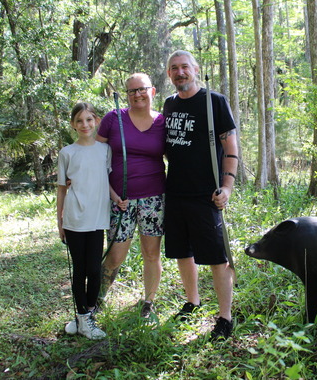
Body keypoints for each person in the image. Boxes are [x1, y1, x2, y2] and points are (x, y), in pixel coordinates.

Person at [163, 50, 239, 339]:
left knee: (217, 257)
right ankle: (192, 302)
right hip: (175, 193)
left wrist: (227, 187)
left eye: (184, 67)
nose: (180, 72)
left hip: (206, 195)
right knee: (183, 253)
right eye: (174, 68)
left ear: (195, 69)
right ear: (169, 74)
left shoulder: (214, 102)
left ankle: (224, 317)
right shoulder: (169, 104)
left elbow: (230, 149)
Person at [96, 73, 166, 317]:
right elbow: (94, 153)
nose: (137, 94)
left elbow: (178, 157)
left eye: (142, 89)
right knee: (115, 255)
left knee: (151, 253)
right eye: (132, 91)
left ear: (153, 91)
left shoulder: (162, 123)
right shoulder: (113, 119)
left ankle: (148, 302)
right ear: (126, 95)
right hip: (120, 200)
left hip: (154, 198)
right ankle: (97, 298)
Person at [57, 102, 111, 340]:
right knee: (80, 270)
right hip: (75, 218)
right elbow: (61, 189)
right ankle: (81, 316)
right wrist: (59, 221)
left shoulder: (104, 149)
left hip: (98, 217)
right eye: (79, 121)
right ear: (73, 125)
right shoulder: (67, 152)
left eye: (89, 119)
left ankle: (86, 315)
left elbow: (105, 180)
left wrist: (117, 198)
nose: (85, 124)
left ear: (96, 120)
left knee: (94, 269)